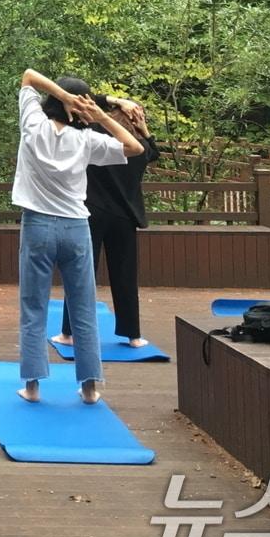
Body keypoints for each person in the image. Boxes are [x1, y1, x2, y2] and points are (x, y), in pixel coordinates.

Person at [13, 69, 141, 405]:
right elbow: (135, 147)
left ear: (53, 100)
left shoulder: (33, 123)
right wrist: (101, 116)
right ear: (80, 108)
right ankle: (89, 388)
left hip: (38, 225)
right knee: (83, 309)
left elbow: (29, 76)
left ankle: (32, 387)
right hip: (76, 229)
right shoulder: (86, 140)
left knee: (33, 307)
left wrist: (65, 97)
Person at [54, 95, 159, 349]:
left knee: (80, 272)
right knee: (125, 277)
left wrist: (115, 99)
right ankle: (133, 336)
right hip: (125, 217)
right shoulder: (139, 147)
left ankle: (69, 333)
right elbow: (153, 153)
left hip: (93, 212)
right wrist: (144, 130)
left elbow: (76, 100)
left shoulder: (95, 135)